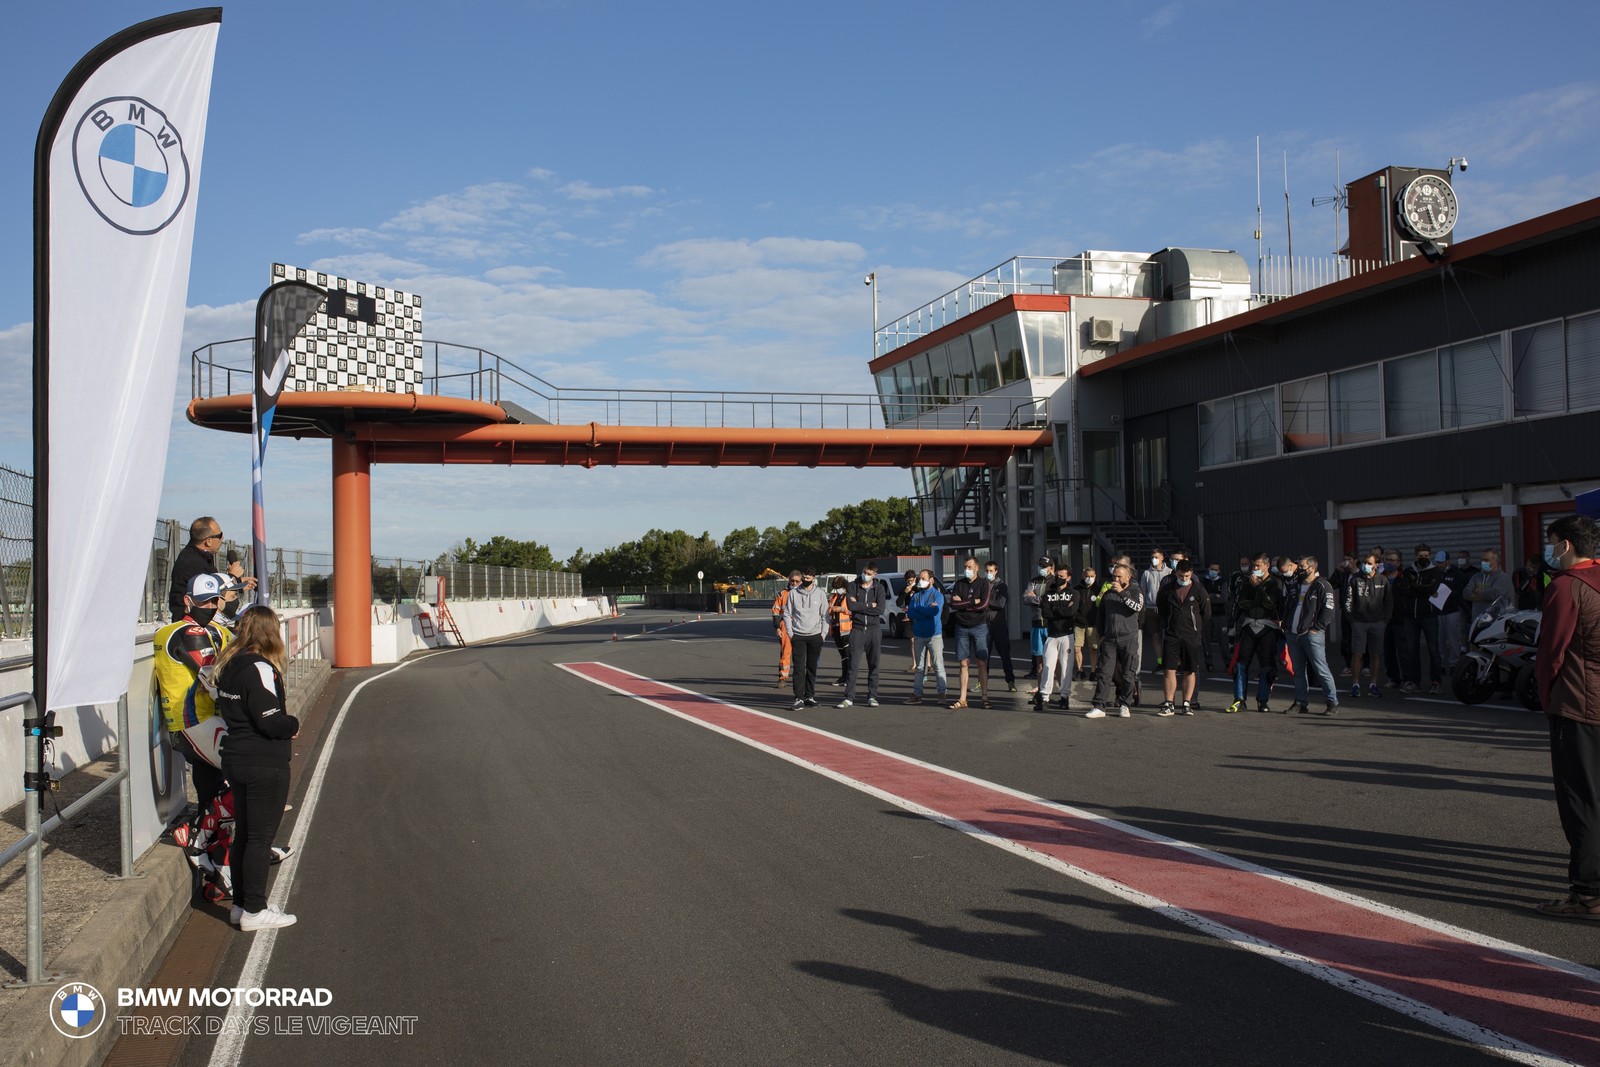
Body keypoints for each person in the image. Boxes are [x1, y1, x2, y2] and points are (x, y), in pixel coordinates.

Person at [212, 605, 300, 931]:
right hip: (263, 761)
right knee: (260, 840)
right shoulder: (260, 667)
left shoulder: (229, 664)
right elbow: (270, 720)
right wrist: (293, 724)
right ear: (269, 631)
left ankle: (241, 906)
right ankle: (254, 910)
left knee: (245, 836)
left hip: (235, 756)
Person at [1534, 515, 1600, 919]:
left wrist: (1547, 697)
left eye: (1552, 541)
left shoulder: (1566, 586)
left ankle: (1588, 892)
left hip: (1578, 704)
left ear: (1568, 545)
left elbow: (1550, 654)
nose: (1550, 549)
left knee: (1581, 801)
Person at [153, 573, 235, 839]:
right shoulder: (181, 631)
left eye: (214, 601)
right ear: (188, 601)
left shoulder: (219, 630)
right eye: (204, 602)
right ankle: (200, 830)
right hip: (191, 721)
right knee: (253, 770)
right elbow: (215, 679)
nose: (210, 607)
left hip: (212, 719)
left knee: (214, 784)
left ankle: (214, 843)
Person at [168, 516, 255, 621]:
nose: (222, 538)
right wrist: (232, 577)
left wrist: (238, 582)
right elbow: (206, 590)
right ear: (208, 541)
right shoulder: (191, 562)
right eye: (220, 535)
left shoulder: (200, 557)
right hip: (191, 622)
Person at [1228, 554, 1283, 713]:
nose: (1255, 569)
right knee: (1240, 665)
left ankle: (1263, 701)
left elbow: (1270, 604)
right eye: (1254, 566)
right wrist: (1255, 598)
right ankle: (1239, 699)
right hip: (1249, 625)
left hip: (1268, 628)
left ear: (1267, 565)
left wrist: (1258, 588)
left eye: (1258, 566)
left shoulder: (1274, 582)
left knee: (1267, 666)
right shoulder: (1247, 582)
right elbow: (1242, 603)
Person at [1285, 556, 1340, 714]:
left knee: (1320, 668)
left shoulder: (1323, 585)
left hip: (1311, 634)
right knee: (1298, 671)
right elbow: (1288, 604)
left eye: (1302, 567)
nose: (1299, 569)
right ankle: (1300, 702)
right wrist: (1286, 624)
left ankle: (1332, 702)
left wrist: (1317, 627)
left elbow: (1329, 610)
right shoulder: (1295, 584)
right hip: (1293, 633)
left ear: (1312, 567)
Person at [1088, 563, 1142, 718]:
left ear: (1128, 576)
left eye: (1119, 576)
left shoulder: (1135, 590)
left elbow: (1137, 607)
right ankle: (1099, 706)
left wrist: (1122, 593)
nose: (1116, 579)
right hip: (1110, 638)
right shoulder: (1107, 593)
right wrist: (1101, 634)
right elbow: (1101, 615)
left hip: (1128, 638)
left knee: (1128, 673)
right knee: (1104, 672)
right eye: (1114, 576)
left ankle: (1125, 704)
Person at [1156, 559, 1210, 715]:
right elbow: (1162, 610)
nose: (1184, 578)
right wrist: (1170, 625)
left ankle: (1187, 703)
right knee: (1169, 669)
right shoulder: (1166, 590)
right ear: (1176, 573)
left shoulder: (1199, 590)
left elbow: (1206, 613)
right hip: (1172, 635)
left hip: (1191, 636)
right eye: (1181, 575)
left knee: (1190, 670)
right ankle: (1169, 703)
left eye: (1187, 575)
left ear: (1191, 573)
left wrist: (1195, 629)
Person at [1395, 544, 1446, 694]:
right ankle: (1414, 681)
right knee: (1412, 650)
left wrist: (1414, 586)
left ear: (1430, 556)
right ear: (1415, 556)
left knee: (1433, 650)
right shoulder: (1408, 571)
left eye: (1426, 555)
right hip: (1411, 616)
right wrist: (1421, 588)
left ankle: (1436, 682)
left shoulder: (1435, 571)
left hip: (1429, 616)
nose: (1423, 558)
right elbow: (1404, 590)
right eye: (1420, 555)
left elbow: (1432, 589)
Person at [946, 556, 992, 709]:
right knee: (963, 663)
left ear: (976, 568)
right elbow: (953, 603)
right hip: (962, 626)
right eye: (965, 566)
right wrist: (973, 602)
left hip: (979, 626)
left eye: (970, 567)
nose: (967, 569)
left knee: (981, 662)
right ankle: (963, 698)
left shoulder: (984, 583)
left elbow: (983, 605)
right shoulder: (959, 584)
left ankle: (984, 697)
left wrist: (963, 603)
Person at [1344, 552, 1391, 698]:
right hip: (1359, 622)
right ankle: (1355, 685)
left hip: (1378, 623)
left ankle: (1373, 685)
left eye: (1370, 563)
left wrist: (1385, 621)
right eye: (1365, 562)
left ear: (1376, 565)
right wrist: (1352, 620)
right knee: (1357, 654)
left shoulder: (1383, 580)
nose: (1366, 566)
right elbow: (1348, 601)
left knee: (1375, 655)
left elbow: (1389, 602)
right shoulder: (1355, 580)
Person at [838, 563, 885, 708]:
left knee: (874, 664)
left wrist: (861, 606)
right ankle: (849, 697)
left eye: (869, 573)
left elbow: (880, 610)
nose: (865, 575)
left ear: (874, 574)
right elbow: (851, 607)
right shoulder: (853, 586)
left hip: (874, 630)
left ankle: (872, 696)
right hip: (857, 630)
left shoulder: (880, 588)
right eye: (864, 572)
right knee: (853, 665)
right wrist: (869, 605)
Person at [1035, 560, 1078, 710]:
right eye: (1057, 575)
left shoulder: (1074, 593)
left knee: (1066, 667)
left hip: (1067, 634)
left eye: (1062, 576)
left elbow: (1072, 612)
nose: (1058, 578)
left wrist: (1056, 610)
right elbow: (1045, 613)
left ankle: (1064, 697)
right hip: (1052, 635)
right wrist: (1063, 609)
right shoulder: (1048, 593)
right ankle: (1044, 697)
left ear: (1069, 578)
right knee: (1048, 665)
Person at [783, 569, 829, 710]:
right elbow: (787, 613)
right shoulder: (793, 594)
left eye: (808, 577)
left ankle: (809, 696)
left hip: (815, 636)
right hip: (798, 636)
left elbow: (825, 615)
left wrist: (823, 634)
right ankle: (798, 698)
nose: (805, 579)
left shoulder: (820, 594)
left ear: (814, 578)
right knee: (798, 668)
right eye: (804, 577)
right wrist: (791, 633)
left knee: (812, 668)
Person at [903, 570, 948, 704]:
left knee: (938, 665)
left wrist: (919, 610)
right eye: (919, 578)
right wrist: (924, 610)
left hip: (934, 635)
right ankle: (917, 694)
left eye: (923, 578)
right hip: (919, 635)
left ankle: (942, 695)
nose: (920, 581)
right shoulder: (916, 596)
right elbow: (910, 613)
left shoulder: (938, 596)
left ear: (931, 580)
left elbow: (934, 612)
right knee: (920, 668)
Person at [1439, 549, 1475, 674]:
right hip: (1438, 611)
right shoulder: (1435, 573)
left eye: (1441, 562)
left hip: (1453, 610)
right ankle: (1440, 664)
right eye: (1437, 562)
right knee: (1439, 640)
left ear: (1448, 561)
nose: (1439, 564)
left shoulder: (1457, 573)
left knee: (1454, 639)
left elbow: (1460, 592)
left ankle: (1454, 664)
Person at [984, 560, 1017, 692]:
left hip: (999, 624)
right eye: (987, 570)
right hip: (984, 624)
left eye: (991, 571)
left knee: (1004, 654)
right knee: (984, 655)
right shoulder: (982, 584)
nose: (988, 573)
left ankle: (1010, 681)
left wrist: (983, 602)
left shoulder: (1002, 586)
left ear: (996, 571)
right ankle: (982, 682)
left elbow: (1000, 604)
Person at [1138, 550, 1172, 675]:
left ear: (1162, 557)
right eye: (1152, 557)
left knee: (1169, 635)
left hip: (1166, 608)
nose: (1154, 559)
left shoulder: (1169, 572)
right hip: (1151, 607)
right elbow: (1142, 591)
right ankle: (1160, 661)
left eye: (1156, 557)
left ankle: (1173, 661)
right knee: (1155, 635)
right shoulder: (1146, 573)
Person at [1022, 556, 1052, 682]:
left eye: (1044, 566)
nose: (1042, 569)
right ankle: (1040, 689)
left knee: (1052, 660)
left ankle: (1059, 690)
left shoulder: (1055, 582)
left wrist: (1036, 597)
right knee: (1038, 658)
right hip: (1036, 623)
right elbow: (1025, 598)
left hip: (1051, 624)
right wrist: (1040, 599)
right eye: (1040, 566)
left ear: (1050, 568)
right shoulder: (1034, 581)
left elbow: (1051, 601)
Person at [1464, 549, 1514, 621]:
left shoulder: (1503, 577)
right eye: (1482, 560)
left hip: (1496, 621)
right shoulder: (1476, 576)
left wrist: (1477, 592)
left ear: (1496, 561)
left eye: (1486, 560)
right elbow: (1466, 593)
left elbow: (1494, 593)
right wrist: (1486, 595)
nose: (1483, 562)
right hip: (1477, 621)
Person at [1072, 565, 1100, 683]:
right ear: (1083, 576)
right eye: (1087, 576)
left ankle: (1093, 671)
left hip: (1092, 624)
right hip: (1079, 623)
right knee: (1077, 648)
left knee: (1093, 648)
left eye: (1092, 576)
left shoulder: (1098, 590)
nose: (1089, 578)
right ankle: (1080, 670)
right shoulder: (1076, 589)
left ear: (1095, 576)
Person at [771, 572, 799, 687]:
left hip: (801, 626)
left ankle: (799, 678)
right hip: (785, 626)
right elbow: (775, 611)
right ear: (789, 580)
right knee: (785, 653)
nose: (794, 583)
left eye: (797, 581)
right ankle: (783, 678)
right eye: (792, 581)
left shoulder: (805, 593)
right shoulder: (782, 594)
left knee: (801, 654)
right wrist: (777, 627)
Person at [826, 576, 853, 687]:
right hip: (836, 628)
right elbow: (829, 609)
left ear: (843, 586)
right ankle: (843, 677)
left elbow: (855, 611)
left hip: (846, 629)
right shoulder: (834, 596)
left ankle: (848, 677)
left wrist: (841, 609)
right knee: (842, 654)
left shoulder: (849, 596)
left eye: (838, 587)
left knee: (848, 654)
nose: (836, 589)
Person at [1200, 562, 1227, 672]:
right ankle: (1209, 662)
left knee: (1223, 640)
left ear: (1219, 571)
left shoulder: (1223, 582)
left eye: (1216, 570)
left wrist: (1210, 597)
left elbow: (1224, 598)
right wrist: (1215, 595)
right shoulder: (1203, 581)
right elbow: (1203, 597)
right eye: (1212, 569)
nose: (1213, 571)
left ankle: (1227, 662)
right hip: (1207, 615)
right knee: (1206, 640)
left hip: (1220, 615)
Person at [897, 570, 919, 673]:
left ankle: (927, 663)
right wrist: (905, 592)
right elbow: (899, 602)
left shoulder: (919, 588)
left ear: (915, 578)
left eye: (912, 580)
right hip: (909, 617)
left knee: (923, 640)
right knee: (912, 641)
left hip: (919, 616)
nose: (910, 583)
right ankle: (915, 663)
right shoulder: (904, 589)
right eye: (908, 581)